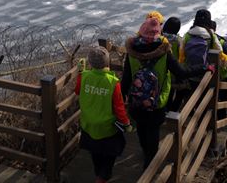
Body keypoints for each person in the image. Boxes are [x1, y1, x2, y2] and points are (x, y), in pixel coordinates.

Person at [122, 15, 212, 168]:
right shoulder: (164, 52)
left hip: (136, 102)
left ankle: (146, 153)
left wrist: (122, 102)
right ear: (158, 33)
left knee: (142, 130)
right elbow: (182, 72)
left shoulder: (131, 53)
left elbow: (125, 81)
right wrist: (204, 68)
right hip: (157, 102)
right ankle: (150, 163)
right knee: (153, 132)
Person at [76, 46, 132, 183]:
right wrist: (126, 123)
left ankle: (98, 174)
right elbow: (119, 107)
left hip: (88, 125)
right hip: (107, 128)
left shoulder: (84, 76)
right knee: (109, 155)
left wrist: (79, 72)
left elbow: (77, 91)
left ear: (90, 63)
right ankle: (102, 178)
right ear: (108, 62)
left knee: (95, 153)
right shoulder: (112, 82)